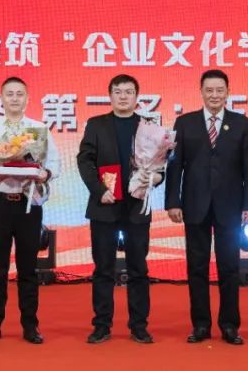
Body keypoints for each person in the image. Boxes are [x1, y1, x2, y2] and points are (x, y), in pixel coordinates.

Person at [165, 69, 248, 345]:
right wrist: (172, 202)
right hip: (194, 204)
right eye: (209, 90)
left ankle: (229, 325)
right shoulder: (185, 123)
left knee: (230, 267)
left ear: (228, 92)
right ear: (201, 92)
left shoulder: (242, 124)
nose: (214, 95)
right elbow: (175, 167)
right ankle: (201, 324)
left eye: (220, 90)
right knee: (197, 267)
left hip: (231, 206)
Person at [0, 76, 60, 345]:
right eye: (9, 94)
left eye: (19, 94)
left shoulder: (39, 130)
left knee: (28, 268)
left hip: (28, 205)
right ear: (1, 98)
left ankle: (30, 326)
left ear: (27, 99)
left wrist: (44, 174)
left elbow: (54, 163)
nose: (14, 98)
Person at [77, 74, 162, 344]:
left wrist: (156, 178)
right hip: (104, 205)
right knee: (103, 268)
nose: (123, 96)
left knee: (138, 269)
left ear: (137, 97)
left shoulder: (149, 126)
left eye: (128, 92)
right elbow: (84, 161)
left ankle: (139, 326)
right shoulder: (96, 124)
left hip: (137, 206)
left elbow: (162, 164)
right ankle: (101, 325)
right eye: (118, 91)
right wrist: (99, 190)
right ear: (110, 95)